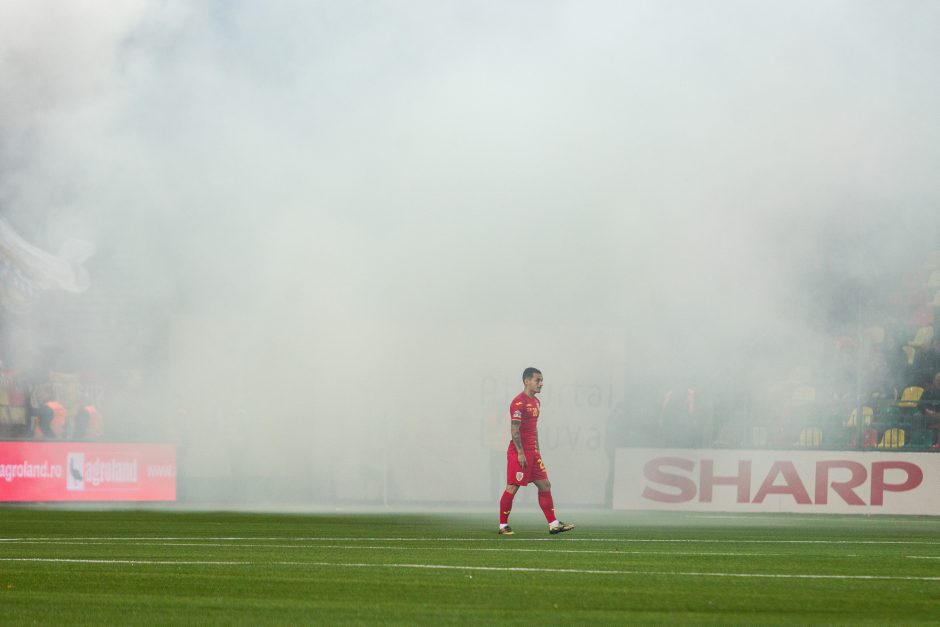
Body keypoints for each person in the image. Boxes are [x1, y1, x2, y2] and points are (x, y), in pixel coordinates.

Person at [498, 367, 574, 536]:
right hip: (520, 452)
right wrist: (520, 452)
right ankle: (503, 526)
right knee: (512, 487)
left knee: (545, 484)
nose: (541, 383)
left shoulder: (536, 402)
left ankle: (553, 524)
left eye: (541, 380)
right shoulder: (518, 402)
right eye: (537, 380)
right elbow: (515, 430)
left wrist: (537, 448)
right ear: (527, 381)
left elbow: (533, 428)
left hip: (533, 452)